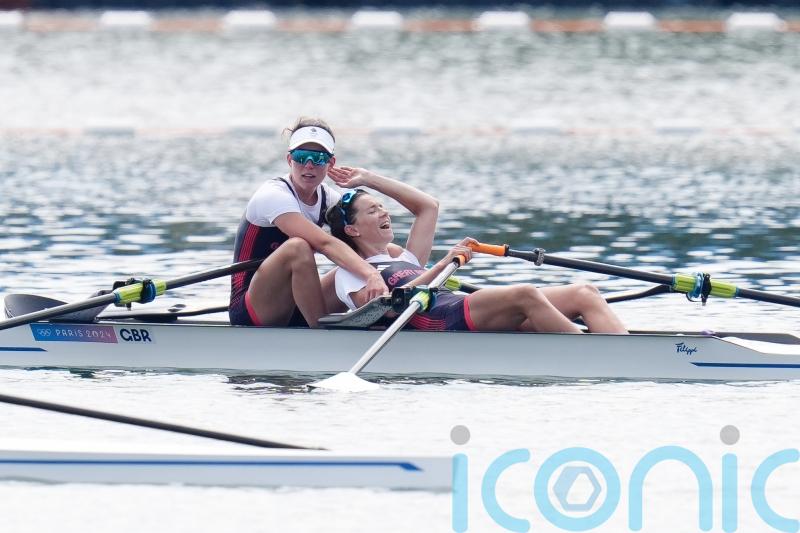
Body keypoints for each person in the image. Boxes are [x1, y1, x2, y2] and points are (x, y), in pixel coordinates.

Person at [325, 167, 628, 334]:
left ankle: (625, 350)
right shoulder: (348, 273)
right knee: (525, 294)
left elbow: (428, 207)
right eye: (372, 211)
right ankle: (593, 352)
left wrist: (368, 178)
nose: (384, 213)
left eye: (382, 207)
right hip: (442, 319)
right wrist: (444, 262)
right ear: (352, 230)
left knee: (584, 292)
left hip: (464, 306)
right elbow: (384, 309)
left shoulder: (404, 258)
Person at [229, 118, 387, 328]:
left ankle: (392, 310)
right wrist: (370, 274)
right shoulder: (273, 195)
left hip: (295, 304)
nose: (309, 165)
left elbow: (366, 238)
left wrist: (369, 179)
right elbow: (325, 244)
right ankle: (320, 333)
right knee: (298, 247)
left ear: (331, 163)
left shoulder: (329, 199)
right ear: (289, 160)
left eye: (319, 158)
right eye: (301, 157)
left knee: (375, 251)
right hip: (251, 309)